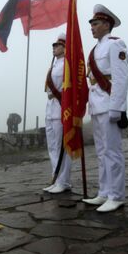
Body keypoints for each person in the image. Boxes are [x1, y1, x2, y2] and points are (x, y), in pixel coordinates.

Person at [81, 4, 128, 212]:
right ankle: (104, 192)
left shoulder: (115, 44)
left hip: (109, 104)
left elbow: (121, 78)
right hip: (96, 105)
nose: (92, 27)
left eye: (96, 23)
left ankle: (116, 195)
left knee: (112, 151)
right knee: (101, 152)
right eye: (91, 23)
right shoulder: (94, 50)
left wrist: (118, 107)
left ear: (107, 24)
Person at [43, 33, 72, 194]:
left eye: (57, 45)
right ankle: (56, 178)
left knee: (62, 146)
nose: (54, 48)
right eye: (53, 46)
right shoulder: (54, 65)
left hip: (61, 107)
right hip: (50, 107)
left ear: (64, 47)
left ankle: (64, 181)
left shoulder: (68, 64)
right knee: (52, 147)